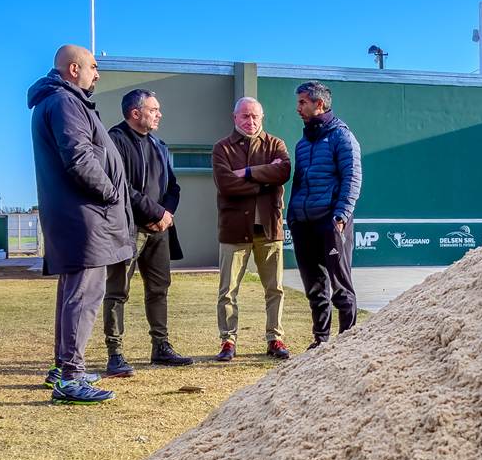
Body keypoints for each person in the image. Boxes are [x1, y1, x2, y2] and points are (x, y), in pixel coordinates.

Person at [28, 44, 131, 405]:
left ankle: (64, 368)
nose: (97, 73)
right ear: (73, 69)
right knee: (83, 298)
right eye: (92, 66)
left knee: (74, 295)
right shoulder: (65, 102)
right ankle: (71, 377)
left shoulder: (60, 101)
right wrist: (111, 193)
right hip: (85, 218)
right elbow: (79, 158)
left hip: (80, 217)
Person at [102, 89, 193, 376]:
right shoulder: (114, 140)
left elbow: (173, 187)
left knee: (159, 289)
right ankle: (115, 353)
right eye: (154, 109)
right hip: (128, 230)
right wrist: (155, 213)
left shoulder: (159, 145)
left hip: (160, 231)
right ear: (135, 113)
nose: (159, 114)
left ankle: (160, 348)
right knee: (117, 291)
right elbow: (121, 187)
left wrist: (165, 215)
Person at [211, 97, 292, 361]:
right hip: (234, 229)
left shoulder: (275, 144)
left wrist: (245, 173)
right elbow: (226, 185)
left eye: (255, 116)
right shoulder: (222, 148)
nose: (251, 121)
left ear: (262, 117)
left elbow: (283, 172)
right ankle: (228, 341)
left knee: (275, 288)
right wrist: (263, 182)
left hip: (269, 229)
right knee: (228, 290)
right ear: (235, 118)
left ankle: (275, 338)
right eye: (245, 116)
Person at [286, 81, 362, 349]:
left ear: (319, 104)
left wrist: (341, 215)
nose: (298, 108)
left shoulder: (342, 137)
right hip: (302, 223)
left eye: (302, 102)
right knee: (314, 287)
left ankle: (348, 342)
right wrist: (292, 215)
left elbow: (352, 178)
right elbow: (299, 182)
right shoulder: (302, 144)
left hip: (331, 222)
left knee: (340, 286)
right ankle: (320, 340)